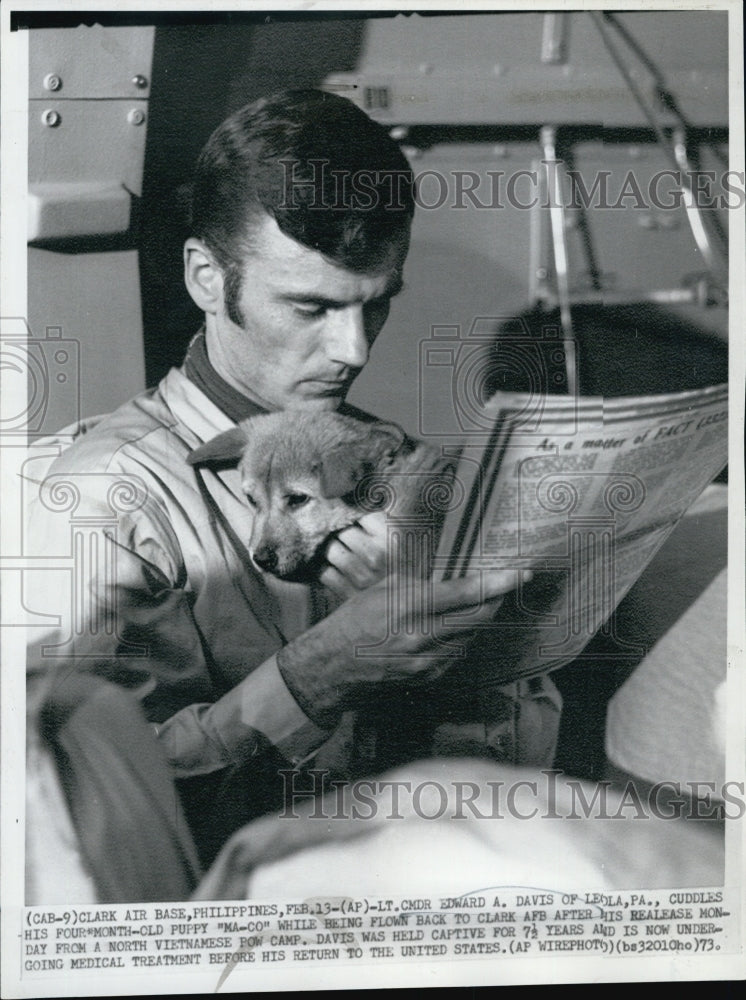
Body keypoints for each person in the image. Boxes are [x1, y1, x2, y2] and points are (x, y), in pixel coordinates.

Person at [26, 90, 561, 864]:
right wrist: (320, 674)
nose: (351, 349)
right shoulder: (107, 498)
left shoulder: (395, 467)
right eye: (310, 306)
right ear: (208, 279)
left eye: (375, 307)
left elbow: (525, 763)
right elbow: (69, 820)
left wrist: (457, 642)